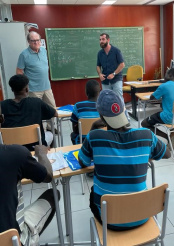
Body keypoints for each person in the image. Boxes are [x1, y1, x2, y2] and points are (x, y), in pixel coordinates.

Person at [78, 89, 171, 230]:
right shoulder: (146, 135)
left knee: (94, 192)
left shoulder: (94, 137)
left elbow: (83, 162)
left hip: (109, 219)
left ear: (101, 117)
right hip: (142, 214)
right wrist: (145, 154)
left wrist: (92, 128)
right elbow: (168, 154)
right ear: (123, 110)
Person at [0, 103, 60, 245]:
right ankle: (31, 238)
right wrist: (41, 154)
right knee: (53, 194)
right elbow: (47, 176)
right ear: (2, 120)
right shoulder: (15, 154)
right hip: (13, 240)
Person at [1, 74, 58, 150]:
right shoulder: (36, 102)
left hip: (11, 147)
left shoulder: (2, 105)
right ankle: (46, 152)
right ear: (27, 89)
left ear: (12, 90)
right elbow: (55, 113)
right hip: (35, 146)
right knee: (50, 134)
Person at [16, 31, 57, 131]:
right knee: (36, 112)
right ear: (29, 42)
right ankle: (41, 131)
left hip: (46, 87)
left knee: (52, 109)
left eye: (38, 40)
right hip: (33, 89)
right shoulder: (24, 55)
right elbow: (19, 71)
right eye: (33, 40)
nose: (36, 42)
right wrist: (25, 86)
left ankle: (51, 127)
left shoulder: (43, 51)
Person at [141, 68, 174, 148]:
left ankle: (168, 137)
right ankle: (173, 135)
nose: (164, 76)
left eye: (166, 73)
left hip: (169, 117)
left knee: (144, 123)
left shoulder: (164, 86)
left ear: (170, 75)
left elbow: (152, 98)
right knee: (168, 109)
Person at [70, 79, 101, 145]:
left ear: (86, 92)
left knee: (73, 135)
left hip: (83, 141)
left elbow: (75, 129)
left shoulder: (78, 106)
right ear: (99, 92)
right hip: (101, 140)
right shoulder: (104, 106)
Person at [96, 33, 125, 98]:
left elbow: (122, 64)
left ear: (108, 40)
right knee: (106, 100)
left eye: (103, 39)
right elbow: (98, 66)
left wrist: (114, 74)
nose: (101, 41)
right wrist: (100, 74)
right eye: (100, 40)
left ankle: (121, 108)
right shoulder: (100, 53)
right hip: (105, 81)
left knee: (118, 98)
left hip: (116, 79)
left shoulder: (116, 51)